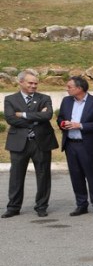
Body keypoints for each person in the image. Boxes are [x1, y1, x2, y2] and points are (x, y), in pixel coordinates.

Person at [3, 70, 58, 218]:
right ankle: (13, 207)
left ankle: (41, 206)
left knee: (43, 175)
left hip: (41, 142)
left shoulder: (44, 98)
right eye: (30, 83)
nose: (34, 86)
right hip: (19, 143)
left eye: (35, 83)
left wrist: (23, 114)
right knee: (16, 176)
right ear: (20, 82)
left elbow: (47, 115)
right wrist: (36, 119)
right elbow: (10, 119)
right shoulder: (10, 99)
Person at [57, 76, 93, 216]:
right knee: (76, 176)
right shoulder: (66, 101)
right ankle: (81, 204)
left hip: (88, 145)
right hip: (70, 145)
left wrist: (80, 125)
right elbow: (60, 118)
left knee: (92, 176)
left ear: (79, 88)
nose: (67, 89)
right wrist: (62, 124)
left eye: (69, 87)